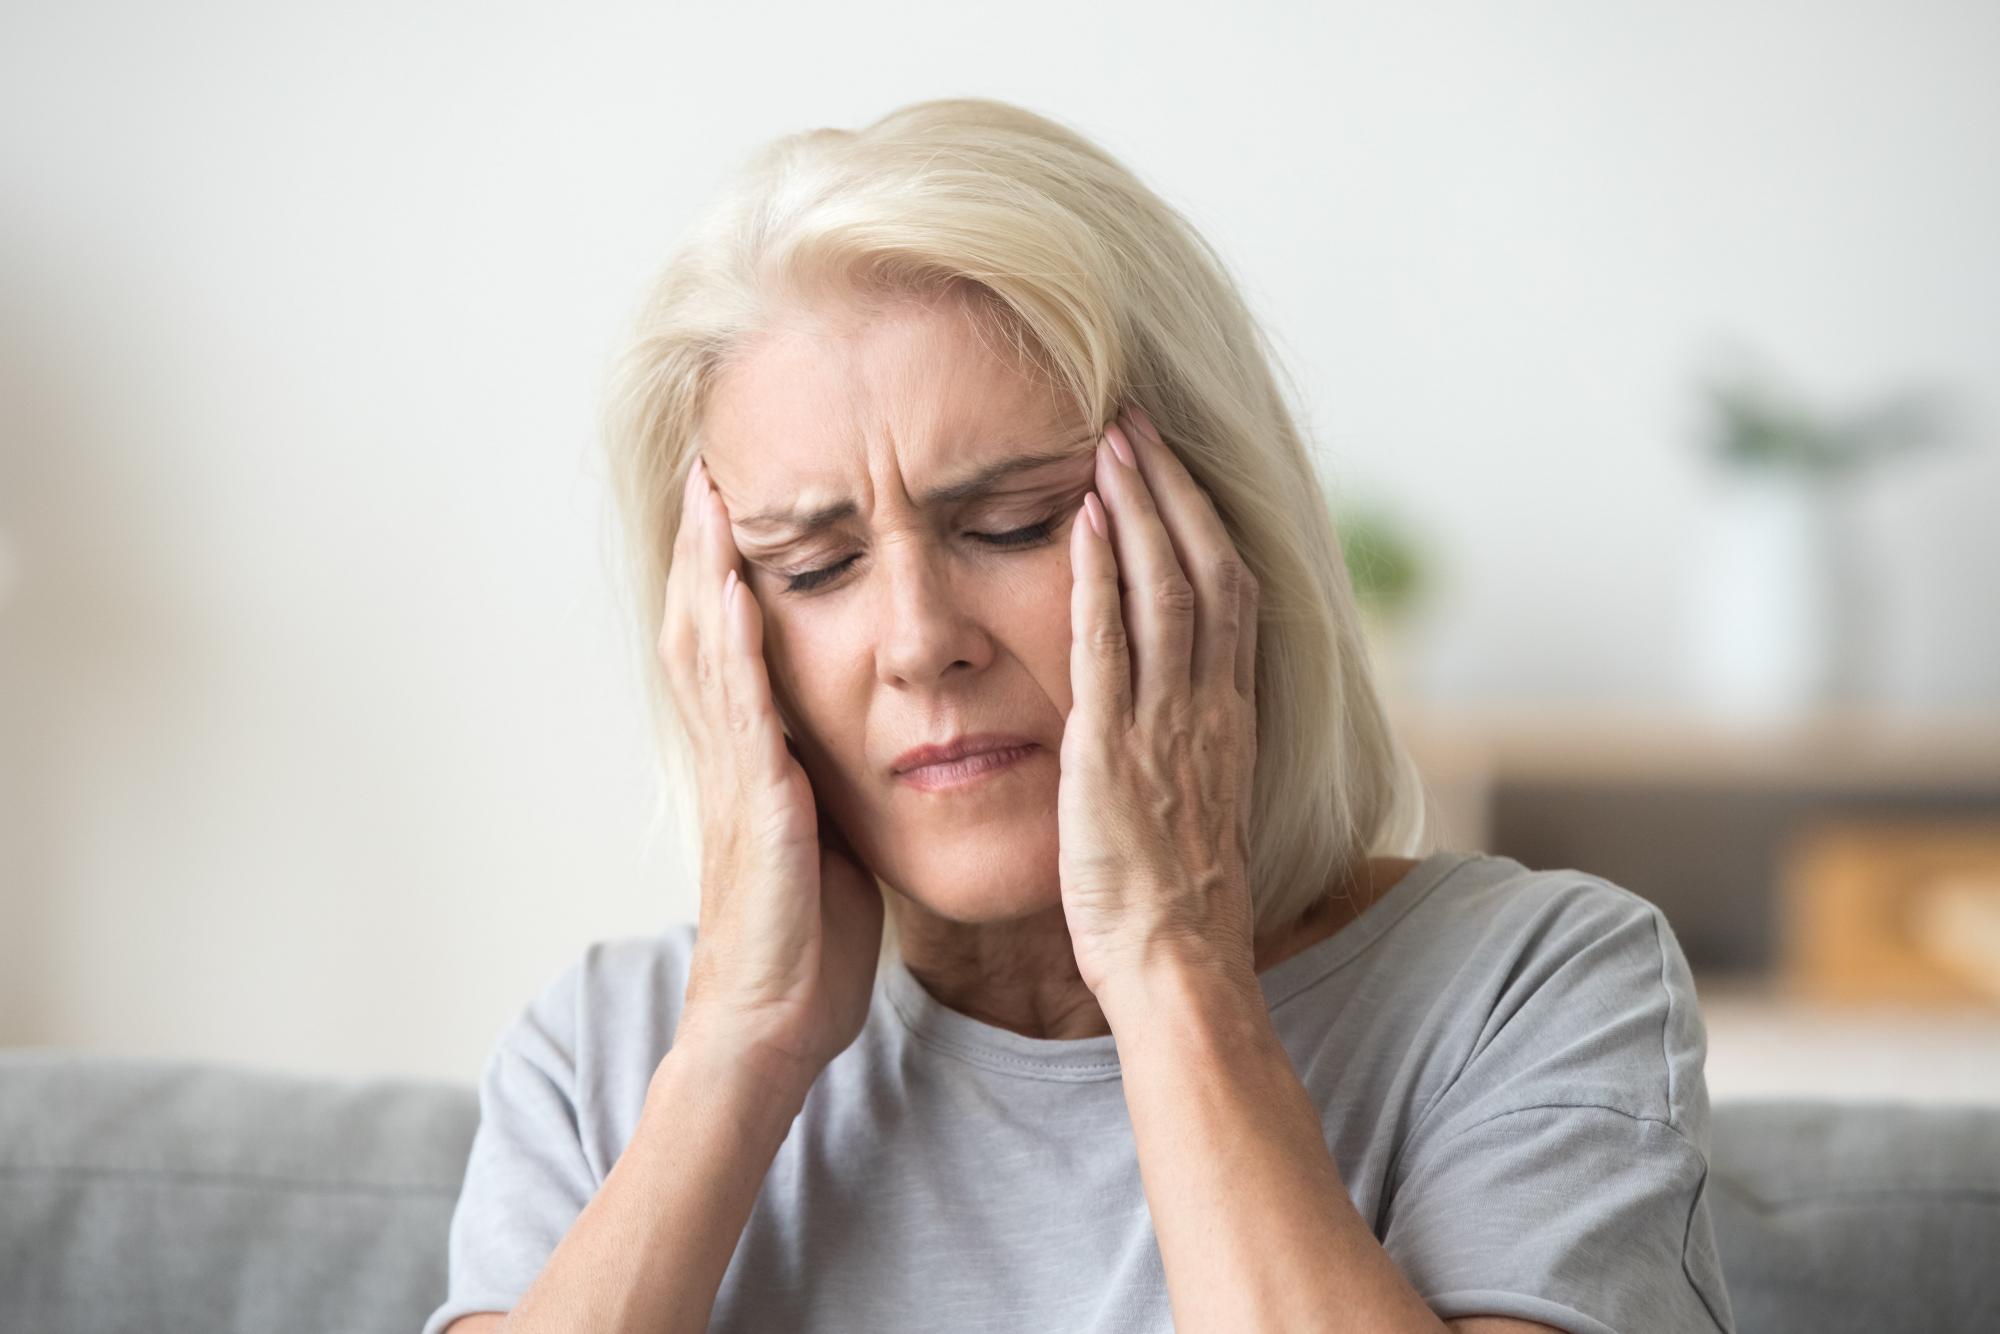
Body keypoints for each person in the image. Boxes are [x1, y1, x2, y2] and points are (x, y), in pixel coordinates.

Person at [424, 98, 1736, 1334]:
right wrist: (735, 1049)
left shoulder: (1535, 985)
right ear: (722, 630)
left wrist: (1173, 961)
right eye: (814, 566)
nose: (921, 640)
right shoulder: (604, 1054)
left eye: (1013, 523)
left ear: (1218, 532)